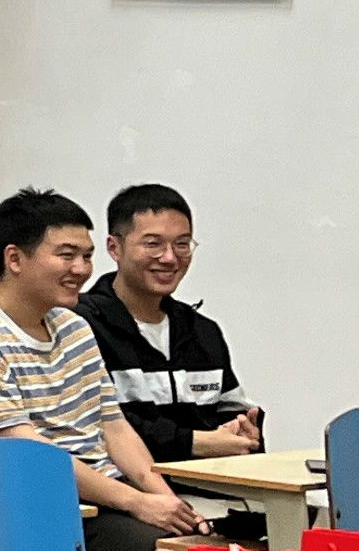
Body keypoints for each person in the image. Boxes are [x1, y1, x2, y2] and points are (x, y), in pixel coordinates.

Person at [0, 186, 205, 551]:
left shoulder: (74, 328)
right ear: (14, 258)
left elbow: (114, 428)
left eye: (87, 256)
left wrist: (169, 503)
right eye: (67, 255)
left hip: (105, 496)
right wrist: (137, 502)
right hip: (35, 509)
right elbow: (31, 456)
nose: (82, 269)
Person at [79, 183, 259, 465]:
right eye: (153, 244)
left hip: (211, 483)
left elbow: (233, 411)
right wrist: (194, 443)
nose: (170, 258)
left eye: (182, 244)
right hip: (124, 486)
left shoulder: (203, 331)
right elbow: (97, 428)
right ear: (114, 248)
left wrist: (243, 432)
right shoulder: (81, 325)